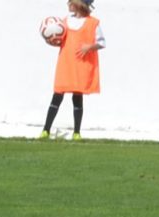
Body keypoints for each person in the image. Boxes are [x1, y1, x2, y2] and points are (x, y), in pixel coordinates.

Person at [39, 1, 104, 141]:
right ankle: (46, 130)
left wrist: (89, 47)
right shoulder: (64, 22)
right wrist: (52, 40)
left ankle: (76, 132)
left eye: (70, 2)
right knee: (57, 95)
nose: (68, 4)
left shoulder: (93, 23)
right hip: (65, 64)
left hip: (80, 66)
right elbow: (60, 39)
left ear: (79, 4)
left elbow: (102, 42)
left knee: (77, 98)